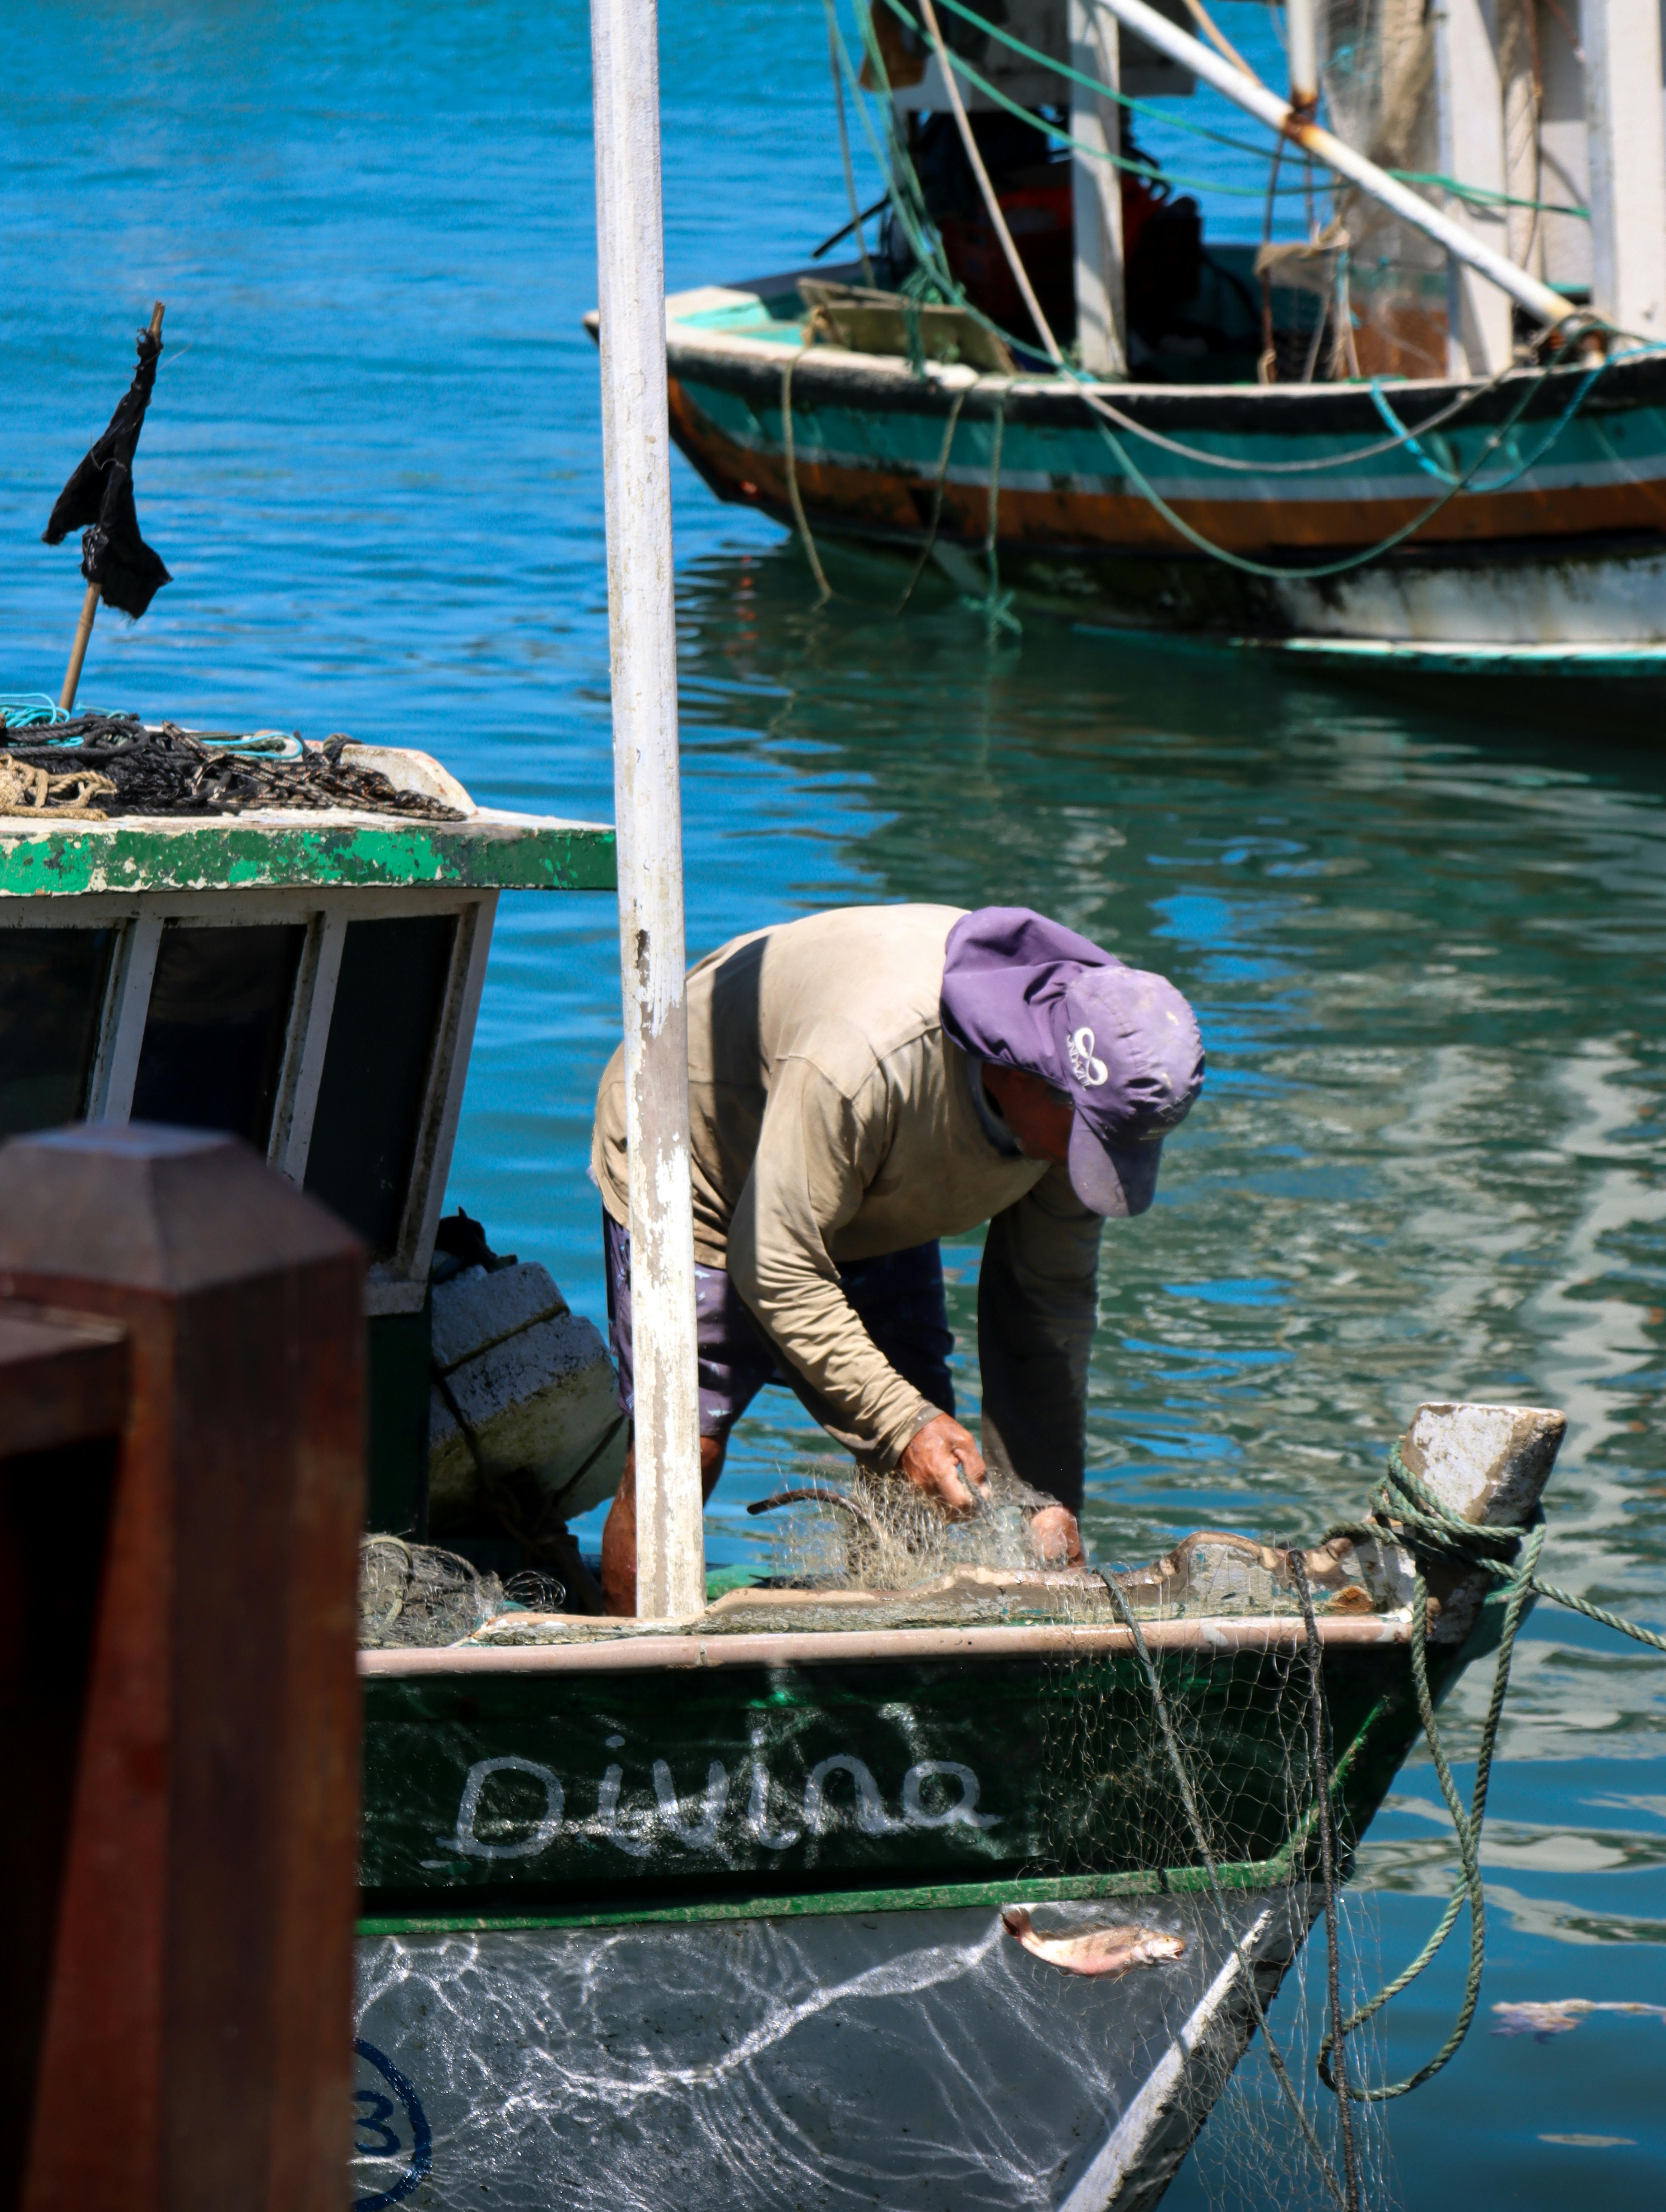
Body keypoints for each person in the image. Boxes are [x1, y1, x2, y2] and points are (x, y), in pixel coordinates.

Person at [592, 904, 1204, 1615]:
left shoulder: (1083, 1103)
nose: (1090, 1168)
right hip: (698, 1150)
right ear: (1030, 1074)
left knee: (921, 1478)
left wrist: (1045, 1501)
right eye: (1094, 1143)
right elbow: (774, 1262)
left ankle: (885, 1689)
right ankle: (632, 1670)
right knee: (685, 1452)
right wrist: (901, 1421)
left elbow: (1043, 1310)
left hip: (870, 1179)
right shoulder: (865, 1062)